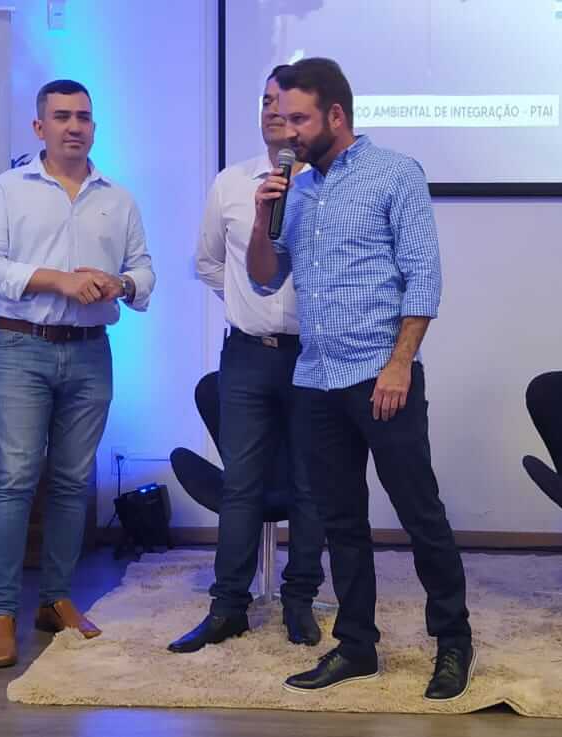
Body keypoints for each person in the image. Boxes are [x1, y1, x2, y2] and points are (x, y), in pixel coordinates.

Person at [247, 57, 473, 701]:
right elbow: (264, 277)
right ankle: (356, 646)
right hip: (316, 377)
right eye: (282, 118)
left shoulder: (395, 173)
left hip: (381, 374)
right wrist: (263, 216)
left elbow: (424, 277)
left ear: (336, 115)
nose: (287, 131)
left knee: (420, 514)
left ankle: (453, 643)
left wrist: (400, 363)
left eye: (299, 119)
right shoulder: (295, 189)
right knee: (340, 521)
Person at [0, 79, 155, 668]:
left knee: (74, 481)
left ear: (94, 127)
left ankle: (55, 600)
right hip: (22, 347)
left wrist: (119, 283)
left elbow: (144, 274)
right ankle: (0, 613)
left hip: (91, 351)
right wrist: (59, 280)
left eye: (84, 117)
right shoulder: (8, 188)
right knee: (16, 480)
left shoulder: (118, 199)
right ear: (39, 127)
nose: (75, 126)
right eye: (62, 116)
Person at [172, 66, 326, 654]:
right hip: (246, 356)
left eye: (284, 104)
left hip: (314, 355)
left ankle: (299, 601)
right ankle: (227, 607)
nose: (272, 112)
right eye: (265, 102)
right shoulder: (231, 183)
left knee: (311, 484)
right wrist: (246, 300)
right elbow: (209, 262)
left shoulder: (330, 184)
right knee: (241, 484)